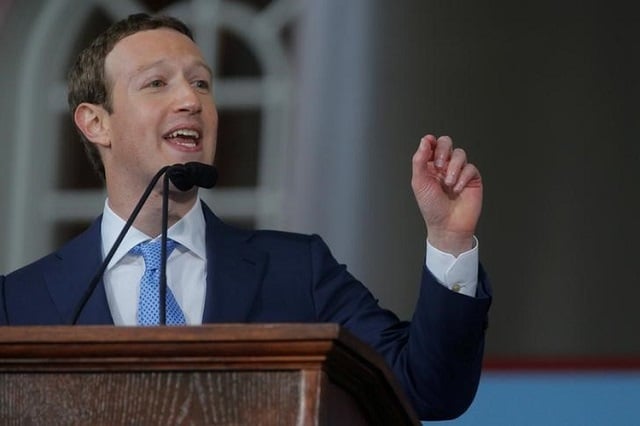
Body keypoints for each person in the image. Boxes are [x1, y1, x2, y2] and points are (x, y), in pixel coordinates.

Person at [0, 13, 491, 420]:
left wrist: (449, 239)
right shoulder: (18, 303)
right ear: (95, 123)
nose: (191, 100)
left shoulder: (300, 272)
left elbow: (427, 390)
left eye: (201, 83)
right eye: (156, 83)